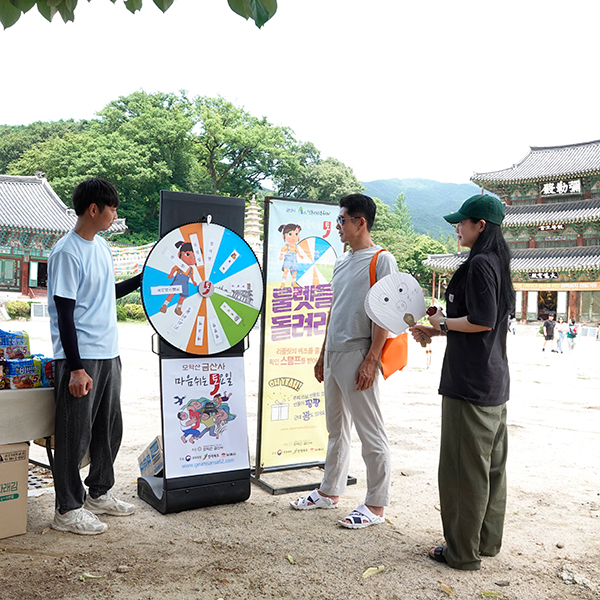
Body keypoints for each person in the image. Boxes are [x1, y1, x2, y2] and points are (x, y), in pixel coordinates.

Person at [410, 194, 515, 570]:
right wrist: (438, 327)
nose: (457, 228)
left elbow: (482, 320)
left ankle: (460, 552)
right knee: (490, 469)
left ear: (480, 226)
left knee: (461, 471)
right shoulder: (499, 263)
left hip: (468, 384)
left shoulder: (480, 264)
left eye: (462, 222)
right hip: (492, 381)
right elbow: (477, 324)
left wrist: (441, 324)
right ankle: (484, 542)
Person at [289, 193, 398, 528]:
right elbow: (334, 311)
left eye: (342, 220)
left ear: (360, 222)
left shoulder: (381, 260)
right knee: (336, 428)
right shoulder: (341, 262)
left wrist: (371, 359)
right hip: (335, 353)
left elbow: (386, 312)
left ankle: (376, 505)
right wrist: (323, 353)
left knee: (370, 431)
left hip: (359, 353)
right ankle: (329, 492)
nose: (337, 226)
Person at [48, 178, 141, 535]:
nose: (115, 214)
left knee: (108, 428)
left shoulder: (100, 247)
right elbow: (65, 312)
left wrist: (140, 280)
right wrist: (74, 368)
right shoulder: (66, 252)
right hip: (81, 357)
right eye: (112, 208)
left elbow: (105, 293)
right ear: (93, 209)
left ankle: (98, 493)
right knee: (74, 435)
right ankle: (67, 509)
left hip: (109, 352)